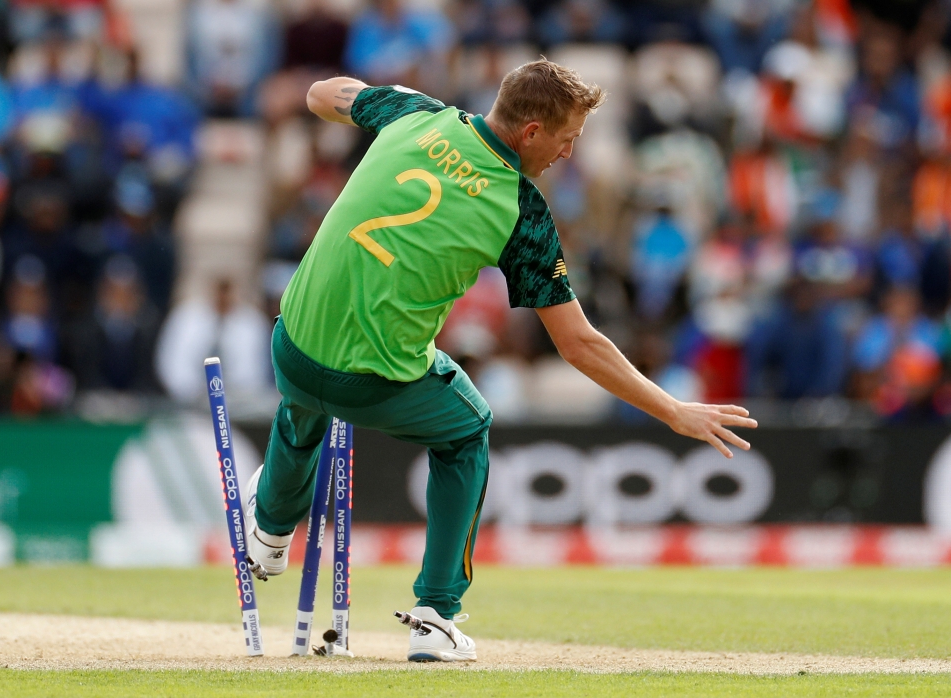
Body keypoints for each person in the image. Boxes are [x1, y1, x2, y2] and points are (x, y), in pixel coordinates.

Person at [248, 60, 758, 663]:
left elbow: (318, 93)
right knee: (468, 428)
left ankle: (271, 530)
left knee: (305, 401)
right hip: (373, 386)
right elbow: (579, 345)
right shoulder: (522, 210)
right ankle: (436, 614)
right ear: (532, 131)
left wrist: (376, 104)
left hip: (289, 351)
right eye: (567, 137)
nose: (569, 153)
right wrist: (671, 410)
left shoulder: (414, 115)